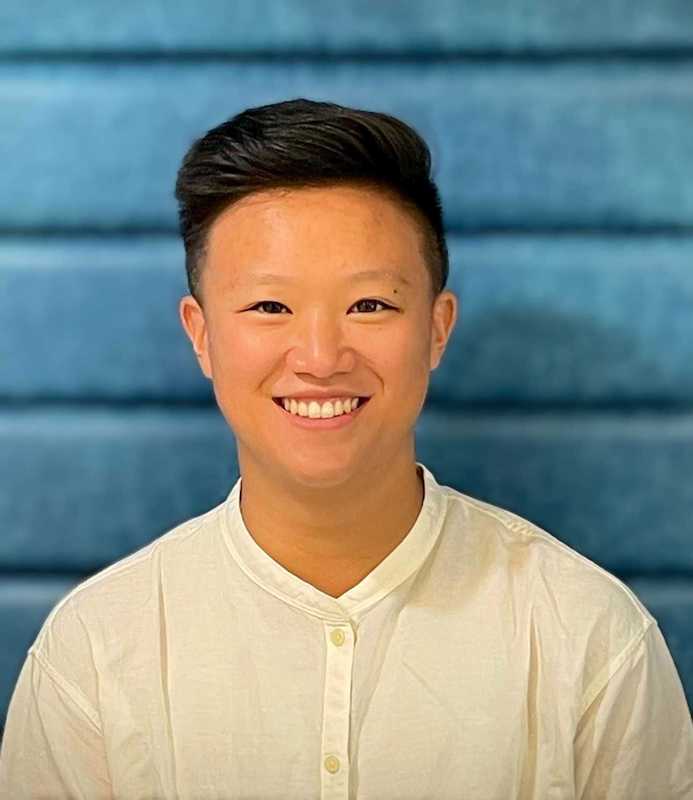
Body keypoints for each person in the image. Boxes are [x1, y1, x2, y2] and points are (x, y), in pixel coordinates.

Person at [1, 97, 691, 799]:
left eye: (370, 305)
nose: (320, 358)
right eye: (270, 307)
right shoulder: (95, 652)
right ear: (201, 335)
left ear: (437, 328)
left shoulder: (587, 637)